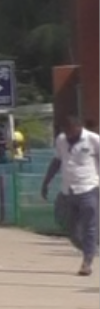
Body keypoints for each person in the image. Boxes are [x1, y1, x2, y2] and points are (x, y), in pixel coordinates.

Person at [40, 112, 100, 276]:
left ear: (78, 127)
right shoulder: (61, 140)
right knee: (67, 224)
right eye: (65, 130)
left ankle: (87, 261)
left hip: (89, 188)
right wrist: (46, 182)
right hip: (67, 190)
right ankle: (91, 248)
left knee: (90, 226)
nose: (67, 133)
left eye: (70, 130)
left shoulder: (93, 139)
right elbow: (57, 160)